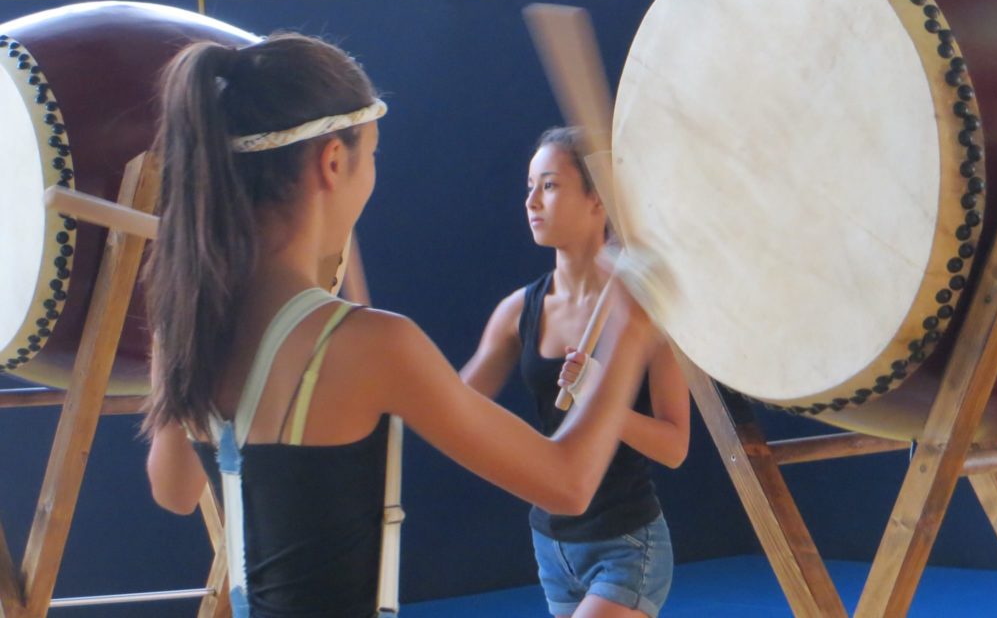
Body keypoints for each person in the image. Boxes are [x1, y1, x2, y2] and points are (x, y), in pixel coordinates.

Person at [143, 35, 658, 618]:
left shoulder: (188, 325)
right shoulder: (371, 344)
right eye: (373, 155)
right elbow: (567, 483)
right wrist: (628, 332)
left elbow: (175, 491)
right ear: (333, 162)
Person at [460, 127, 691, 618]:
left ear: (598, 201)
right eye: (530, 187)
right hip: (551, 543)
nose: (532, 201)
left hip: (627, 543)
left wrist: (597, 399)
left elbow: (675, 447)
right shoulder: (518, 311)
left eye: (549, 185)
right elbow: (457, 404)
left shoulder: (642, 313)